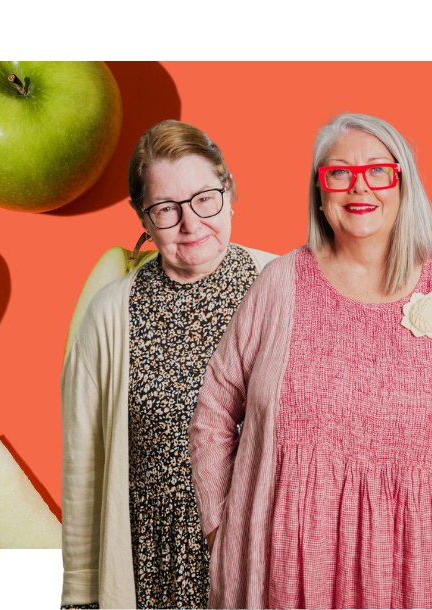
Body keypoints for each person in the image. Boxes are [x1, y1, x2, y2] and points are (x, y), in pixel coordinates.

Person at [188, 112, 432, 609]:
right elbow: (213, 408)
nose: (359, 188)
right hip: (278, 569)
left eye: (378, 170)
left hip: (414, 572)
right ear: (320, 192)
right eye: (338, 173)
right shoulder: (280, 283)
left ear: (403, 183)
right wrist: (221, 531)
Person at [60, 120, 276, 609]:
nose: (191, 223)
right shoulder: (110, 313)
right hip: (152, 565)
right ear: (142, 218)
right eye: (165, 209)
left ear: (229, 190)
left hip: (265, 561)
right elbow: (83, 463)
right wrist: (79, 591)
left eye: (205, 198)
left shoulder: (285, 287)